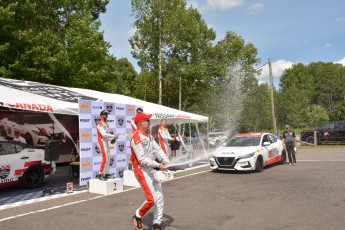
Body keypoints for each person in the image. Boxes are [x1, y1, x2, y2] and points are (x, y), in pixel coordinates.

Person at [130, 112, 169, 230]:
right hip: (142, 170)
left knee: (159, 196)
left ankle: (157, 223)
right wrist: (158, 164)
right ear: (140, 123)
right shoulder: (136, 138)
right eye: (147, 120)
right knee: (151, 199)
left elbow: (157, 150)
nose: (149, 122)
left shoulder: (149, 136)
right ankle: (137, 216)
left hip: (151, 169)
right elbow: (141, 160)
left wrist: (165, 160)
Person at [96, 110, 119, 180]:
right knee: (105, 158)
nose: (106, 116)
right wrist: (113, 136)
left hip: (106, 142)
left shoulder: (106, 124)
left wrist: (112, 139)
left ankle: (106, 173)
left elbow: (108, 135)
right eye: (104, 114)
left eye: (106, 114)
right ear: (101, 116)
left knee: (108, 158)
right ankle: (100, 174)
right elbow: (103, 134)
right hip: (101, 142)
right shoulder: (99, 124)